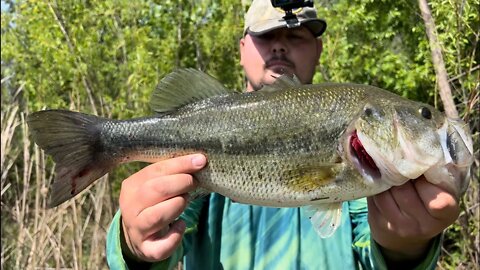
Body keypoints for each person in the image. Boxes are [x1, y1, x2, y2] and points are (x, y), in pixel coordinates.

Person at [106, 1, 460, 269]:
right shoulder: (205, 132)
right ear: (242, 47)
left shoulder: (367, 166)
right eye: (265, 36)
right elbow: (166, 241)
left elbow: (370, 247)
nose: (279, 46)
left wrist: (406, 246)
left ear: (318, 49)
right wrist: (132, 243)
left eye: (296, 36)